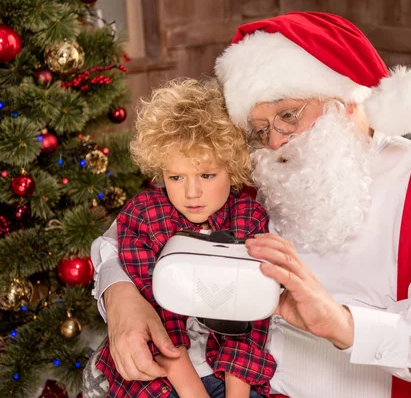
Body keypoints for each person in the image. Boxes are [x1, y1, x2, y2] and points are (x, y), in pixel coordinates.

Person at [90, 12, 411, 398]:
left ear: (345, 102)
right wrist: (122, 296)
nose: (275, 141)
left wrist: (346, 326)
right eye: (259, 128)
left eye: (289, 115)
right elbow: (129, 231)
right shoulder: (255, 166)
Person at [94, 78, 276, 398]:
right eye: (176, 177)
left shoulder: (250, 218)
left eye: (206, 175)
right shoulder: (144, 216)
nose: (191, 193)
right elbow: (158, 313)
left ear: (231, 169)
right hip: (162, 376)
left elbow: (251, 321)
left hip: (231, 374)